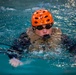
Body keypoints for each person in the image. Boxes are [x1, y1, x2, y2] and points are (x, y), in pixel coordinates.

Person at [7, 9, 76, 67]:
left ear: (52, 25)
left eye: (48, 26)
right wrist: (14, 58)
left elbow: (73, 46)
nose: (45, 31)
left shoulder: (61, 36)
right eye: (40, 27)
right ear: (34, 29)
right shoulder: (26, 38)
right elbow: (14, 49)